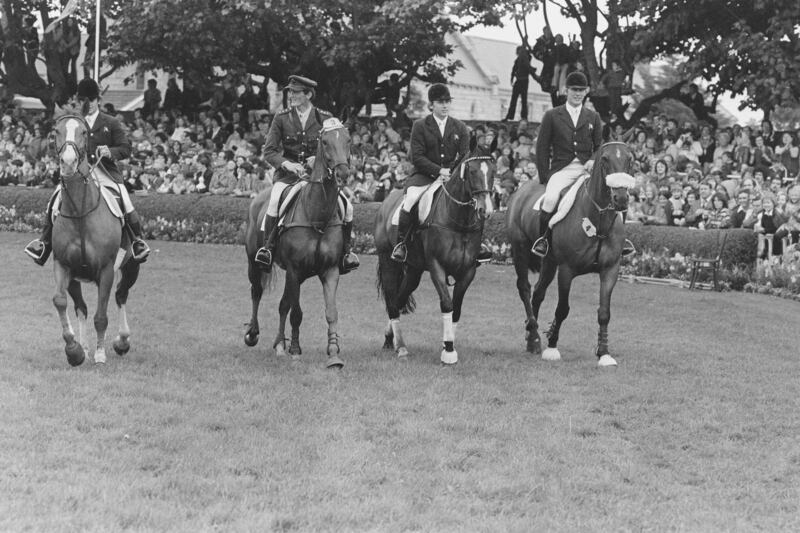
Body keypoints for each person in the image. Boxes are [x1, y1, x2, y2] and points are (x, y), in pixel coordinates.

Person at [25, 78, 150, 265]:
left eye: (91, 100)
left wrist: (110, 151)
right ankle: (43, 243)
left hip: (105, 172)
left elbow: (126, 148)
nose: (88, 104)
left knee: (125, 199)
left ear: (97, 100)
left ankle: (137, 241)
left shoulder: (111, 122)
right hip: (79, 173)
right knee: (55, 198)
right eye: (85, 100)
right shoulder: (74, 121)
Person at [254, 75, 359, 274]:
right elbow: (269, 151)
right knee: (275, 200)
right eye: (290, 92)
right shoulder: (282, 117)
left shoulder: (325, 118)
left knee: (348, 207)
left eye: (296, 92)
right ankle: (267, 249)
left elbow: (334, 146)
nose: (291, 95)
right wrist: (287, 164)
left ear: (308, 94)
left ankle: (346, 253)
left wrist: (316, 159)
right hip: (289, 177)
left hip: (318, 178)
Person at [531, 72, 635, 257]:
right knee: (550, 199)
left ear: (586, 92)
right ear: (566, 90)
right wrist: (544, 175)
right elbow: (542, 147)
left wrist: (593, 160)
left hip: (588, 170)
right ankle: (544, 239)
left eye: (581, 90)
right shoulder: (552, 115)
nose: (577, 93)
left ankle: (622, 238)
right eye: (574, 90)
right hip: (562, 169)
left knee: (613, 197)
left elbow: (599, 146)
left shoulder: (592, 116)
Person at [390, 83, 492, 264]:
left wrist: (451, 172)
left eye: (447, 102)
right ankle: (402, 244)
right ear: (432, 105)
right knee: (410, 201)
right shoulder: (420, 126)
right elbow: (417, 157)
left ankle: (478, 245)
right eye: (440, 102)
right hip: (424, 176)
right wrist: (438, 170)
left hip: (452, 178)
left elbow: (465, 156)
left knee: (474, 202)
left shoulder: (460, 127)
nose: (445, 105)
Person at [503, 46, 536, 122]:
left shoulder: (526, 59)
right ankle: (510, 116)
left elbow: (528, 59)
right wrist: (512, 78)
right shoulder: (517, 60)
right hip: (519, 80)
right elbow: (514, 69)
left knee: (524, 100)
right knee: (514, 99)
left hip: (524, 80)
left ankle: (524, 117)